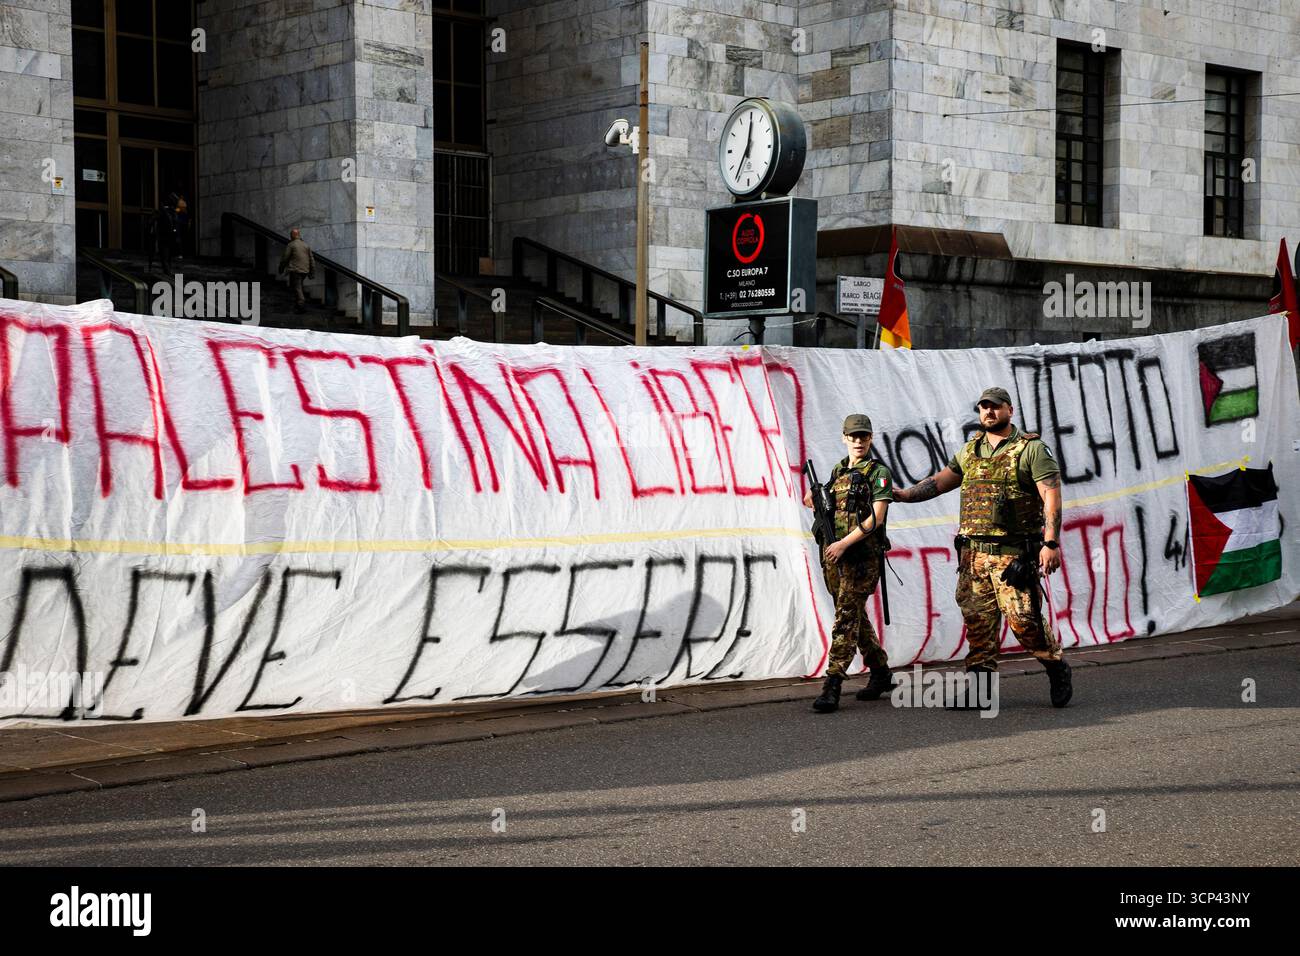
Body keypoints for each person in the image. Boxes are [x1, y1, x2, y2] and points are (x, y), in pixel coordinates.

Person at [893, 386, 1073, 707]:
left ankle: (1055, 665)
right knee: (978, 623)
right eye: (983, 407)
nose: (988, 412)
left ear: (1009, 410)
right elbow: (941, 481)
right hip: (973, 556)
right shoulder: (970, 451)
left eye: (995, 407)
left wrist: (1050, 543)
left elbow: (1051, 496)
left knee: (1024, 621)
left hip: (1012, 555)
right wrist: (905, 495)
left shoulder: (1031, 450)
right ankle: (980, 691)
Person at [804, 413, 896, 713]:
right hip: (834, 557)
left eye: (864, 436)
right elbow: (827, 506)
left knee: (845, 618)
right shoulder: (839, 471)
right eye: (853, 436)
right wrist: (814, 498)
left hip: (860, 558)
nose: (858, 441)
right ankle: (880, 671)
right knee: (855, 615)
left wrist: (844, 543)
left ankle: (832, 684)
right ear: (844, 437)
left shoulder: (878, 472)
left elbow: (877, 517)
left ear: (870, 438)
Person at [278, 228, 316, 314]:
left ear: (293, 235)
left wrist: (281, 268)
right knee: (299, 286)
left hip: (295, 270)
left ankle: (301, 305)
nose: (290, 236)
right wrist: (312, 272)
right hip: (305, 271)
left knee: (297, 287)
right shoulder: (306, 245)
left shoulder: (291, 245)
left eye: (291, 235)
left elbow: (285, 258)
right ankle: (298, 304)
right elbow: (312, 260)